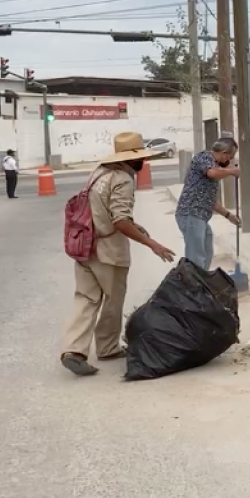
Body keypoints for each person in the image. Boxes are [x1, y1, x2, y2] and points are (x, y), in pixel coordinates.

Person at [60, 132, 176, 377]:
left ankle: (73, 351)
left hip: (85, 244)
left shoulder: (98, 173)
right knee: (113, 300)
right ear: (131, 159)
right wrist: (152, 243)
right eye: (141, 158)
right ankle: (108, 347)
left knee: (86, 299)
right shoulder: (123, 179)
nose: (143, 163)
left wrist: (135, 226)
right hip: (108, 250)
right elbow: (120, 220)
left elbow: (102, 211)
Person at [175, 137, 242, 270]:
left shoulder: (214, 166)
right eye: (230, 156)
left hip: (200, 217)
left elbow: (210, 200)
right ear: (224, 153)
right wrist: (231, 171)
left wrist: (228, 215)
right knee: (196, 257)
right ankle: (193, 286)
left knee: (206, 253)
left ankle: (202, 282)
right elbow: (211, 173)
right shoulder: (204, 158)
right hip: (191, 214)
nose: (229, 161)